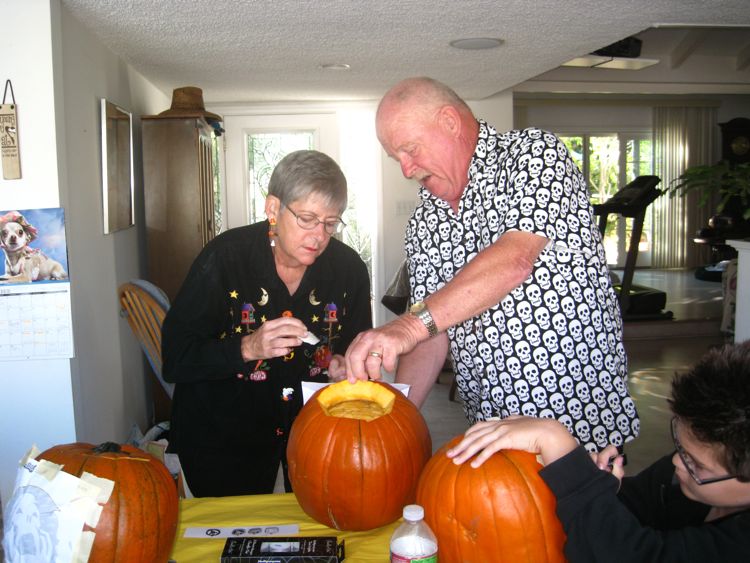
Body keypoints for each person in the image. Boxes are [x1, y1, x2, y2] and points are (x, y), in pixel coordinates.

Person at [344, 76, 639, 452]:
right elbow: (431, 334)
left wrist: (408, 326)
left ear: (450, 122)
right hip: (492, 430)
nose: (406, 169)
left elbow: (514, 259)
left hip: (573, 423)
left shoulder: (533, 156)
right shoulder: (425, 221)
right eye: (396, 157)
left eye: (410, 149)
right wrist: (393, 419)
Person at [162, 150, 372, 497]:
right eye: (307, 218)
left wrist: (343, 364)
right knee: (231, 539)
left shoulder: (348, 270)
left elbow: (354, 345)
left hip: (314, 431)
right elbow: (175, 357)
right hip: (222, 432)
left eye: (331, 223)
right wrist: (247, 347)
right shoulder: (224, 259)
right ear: (273, 208)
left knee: (317, 532)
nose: (319, 236)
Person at [447, 341, 750, 562]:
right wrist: (601, 487)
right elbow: (633, 506)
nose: (676, 463)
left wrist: (560, 445)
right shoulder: (678, 477)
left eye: (698, 465)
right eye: (680, 448)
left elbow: (635, 556)